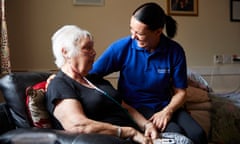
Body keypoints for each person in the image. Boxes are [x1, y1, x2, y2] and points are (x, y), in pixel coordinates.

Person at [89, 2, 208, 144]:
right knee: (176, 134)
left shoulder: (175, 51)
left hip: (165, 106)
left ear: (158, 32)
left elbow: (181, 92)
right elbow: (90, 74)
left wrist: (167, 111)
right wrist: (59, 77)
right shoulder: (122, 47)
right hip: (136, 109)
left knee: (198, 135)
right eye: (131, 30)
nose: (133, 37)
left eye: (139, 33)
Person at [46, 25, 159, 144]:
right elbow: (78, 125)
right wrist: (128, 132)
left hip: (139, 137)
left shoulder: (95, 79)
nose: (94, 52)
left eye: (92, 48)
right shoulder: (60, 84)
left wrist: (147, 125)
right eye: (87, 48)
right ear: (66, 52)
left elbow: (125, 108)